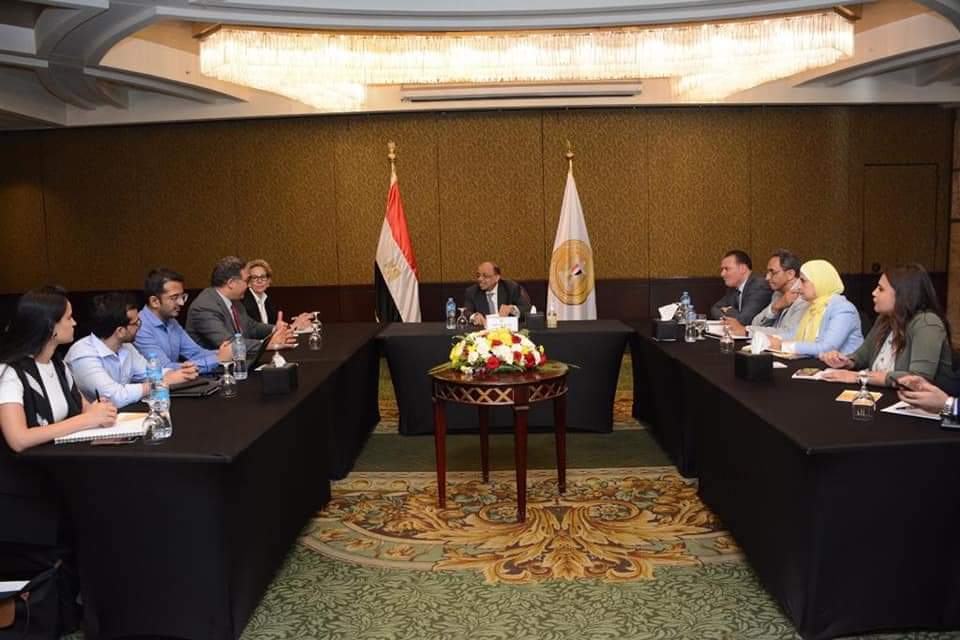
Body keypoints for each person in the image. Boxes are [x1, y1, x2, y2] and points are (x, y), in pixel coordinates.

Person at [0, 288, 118, 556]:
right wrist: (87, 420)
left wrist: (101, 415)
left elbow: (85, 409)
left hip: (62, 474)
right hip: (25, 489)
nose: (75, 323)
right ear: (50, 327)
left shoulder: (59, 365)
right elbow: (18, 439)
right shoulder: (10, 372)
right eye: (68, 317)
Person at [820, 264, 953, 388]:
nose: (874, 292)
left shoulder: (927, 323)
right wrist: (845, 362)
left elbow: (918, 379)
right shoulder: (885, 319)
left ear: (903, 294)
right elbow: (862, 356)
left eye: (881, 289)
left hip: (919, 404)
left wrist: (859, 377)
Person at [65, 293, 195, 407]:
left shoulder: (125, 346)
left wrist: (180, 373)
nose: (140, 326)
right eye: (136, 323)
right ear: (120, 331)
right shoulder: (83, 356)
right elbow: (116, 397)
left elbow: (148, 373)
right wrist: (163, 382)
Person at [185, 256, 297, 353]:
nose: (248, 286)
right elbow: (228, 344)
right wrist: (267, 344)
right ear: (231, 283)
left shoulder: (234, 301)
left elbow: (251, 327)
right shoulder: (205, 307)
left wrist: (275, 329)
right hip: (214, 368)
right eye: (246, 281)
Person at [136, 268, 232, 375]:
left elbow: (195, 353)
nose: (181, 303)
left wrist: (226, 352)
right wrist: (218, 359)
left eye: (182, 296)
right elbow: (164, 369)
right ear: (154, 301)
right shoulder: (139, 326)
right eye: (174, 297)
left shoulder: (171, 321)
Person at [766, 259, 863, 356]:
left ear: (820, 281)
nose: (798, 287)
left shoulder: (843, 309)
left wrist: (783, 346)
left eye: (803, 281)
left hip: (841, 365)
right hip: (815, 363)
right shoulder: (813, 306)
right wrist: (772, 339)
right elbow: (796, 333)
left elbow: (827, 348)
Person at [723, 249, 808, 337]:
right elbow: (755, 323)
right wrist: (774, 308)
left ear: (790, 274)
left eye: (773, 272)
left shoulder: (804, 296)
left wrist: (747, 332)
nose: (767, 277)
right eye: (768, 272)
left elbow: (788, 334)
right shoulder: (778, 293)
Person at [242, 259, 312, 327]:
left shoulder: (267, 300)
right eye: (254, 278)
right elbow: (256, 331)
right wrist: (293, 326)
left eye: (263, 277)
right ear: (248, 283)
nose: (259, 281)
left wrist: (297, 322)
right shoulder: (244, 301)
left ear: (268, 281)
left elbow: (277, 325)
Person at [709, 250, 772, 324]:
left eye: (727, 269)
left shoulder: (760, 286)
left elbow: (744, 321)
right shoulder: (733, 287)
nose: (722, 274)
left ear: (743, 269)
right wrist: (731, 316)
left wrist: (728, 310)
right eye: (722, 269)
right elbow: (715, 308)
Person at [464, 261, 531, 327]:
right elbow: (466, 312)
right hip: (484, 331)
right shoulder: (472, 292)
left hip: (508, 330)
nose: (480, 279)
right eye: (478, 275)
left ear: (497, 278)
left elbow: (527, 309)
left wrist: (512, 309)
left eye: (485, 276)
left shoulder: (510, 288)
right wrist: (474, 316)